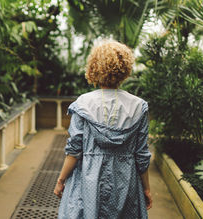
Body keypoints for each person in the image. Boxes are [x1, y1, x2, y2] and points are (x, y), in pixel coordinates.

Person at [54, 41, 152, 219]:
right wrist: (146, 188)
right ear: (125, 69)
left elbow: (75, 150)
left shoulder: (83, 104)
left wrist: (61, 180)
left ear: (94, 67)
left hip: (88, 181)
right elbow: (142, 153)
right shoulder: (139, 106)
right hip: (125, 181)